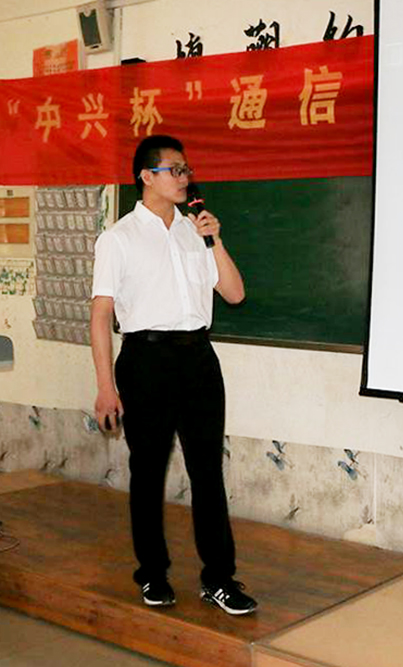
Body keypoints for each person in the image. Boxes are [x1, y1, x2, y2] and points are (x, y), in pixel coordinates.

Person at [89, 135, 257, 615]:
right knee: (148, 472)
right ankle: (152, 574)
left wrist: (214, 239)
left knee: (207, 472)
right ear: (146, 176)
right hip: (145, 360)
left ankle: (219, 578)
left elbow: (235, 294)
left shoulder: (194, 231)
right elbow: (101, 316)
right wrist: (105, 387)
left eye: (186, 170)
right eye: (174, 170)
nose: (185, 178)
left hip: (198, 359)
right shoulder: (119, 238)